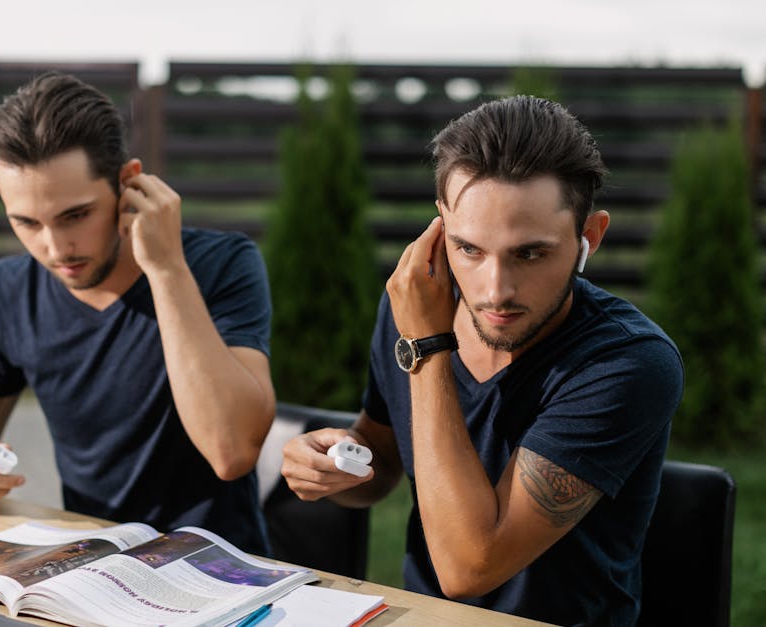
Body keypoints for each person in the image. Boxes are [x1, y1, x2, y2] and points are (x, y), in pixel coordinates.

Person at [281, 95, 684, 625]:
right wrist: (331, 465)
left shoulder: (628, 361)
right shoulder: (414, 306)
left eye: (530, 253)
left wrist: (427, 346)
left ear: (590, 237)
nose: (495, 291)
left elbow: (469, 567)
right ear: (440, 231)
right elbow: (381, 458)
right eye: (468, 249)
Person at [0, 72, 276, 555]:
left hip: (219, 568)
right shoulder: (11, 289)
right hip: (92, 567)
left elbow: (232, 451)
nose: (54, 248)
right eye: (26, 222)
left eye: (75, 216)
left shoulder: (222, 266)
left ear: (129, 184)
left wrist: (167, 269)